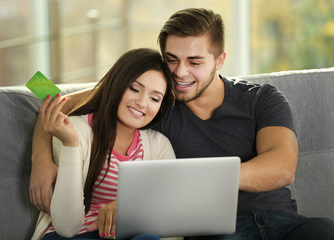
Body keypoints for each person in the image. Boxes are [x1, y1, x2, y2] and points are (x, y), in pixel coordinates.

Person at [30, 8, 334, 240]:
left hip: (286, 224)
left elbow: (281, 168)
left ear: (220, 60)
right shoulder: (155, 103)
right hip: (218, 233)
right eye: (172, 59)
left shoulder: (261, 99)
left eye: (195, 62)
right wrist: (41, 158)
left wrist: (190, 180)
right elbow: (50, 97)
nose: (180, 72)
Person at [31, 48, 176, 240]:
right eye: (134, 88)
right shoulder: (74, 131)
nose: (142, 103)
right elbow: (66, 227)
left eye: (154, 98)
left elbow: (170, 220)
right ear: (117, 84)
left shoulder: (159, 146)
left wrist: (127, 207)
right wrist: (70, 144)